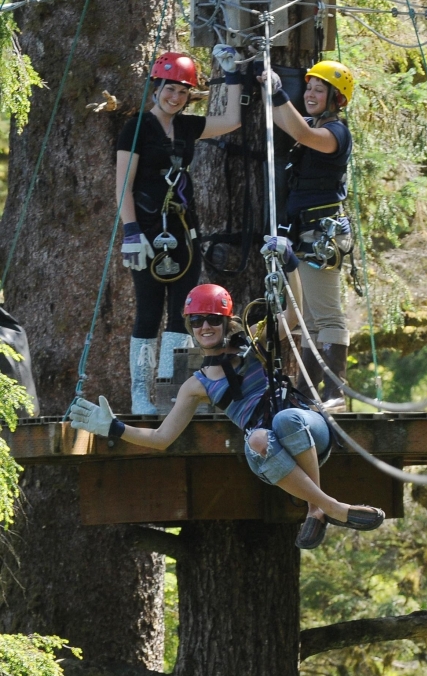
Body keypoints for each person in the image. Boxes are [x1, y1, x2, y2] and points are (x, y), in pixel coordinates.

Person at [70, 250, 385, 550]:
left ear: (225, 321)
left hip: (306, 429)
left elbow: (292, 314)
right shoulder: (196, 385)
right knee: (259, 438)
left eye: (211, 319)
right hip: (267, 449)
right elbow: (161, 438)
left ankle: (317, 509)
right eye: (196, 321)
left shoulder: (254, 343)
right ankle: (328, 507)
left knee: (285, 419)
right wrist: (115, 428)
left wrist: (290, 265)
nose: (204, 326)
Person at [117, 46, 242, 414]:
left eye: (183, 91)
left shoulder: (187, 127)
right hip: (147, 231)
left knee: (181, 315)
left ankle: (168, 390)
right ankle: (140, 394)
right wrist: (130, 231)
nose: (175, 97)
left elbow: (232, 118)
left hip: (184, 232)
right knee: (148, 312)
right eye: (169, 88)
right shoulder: (136, 127)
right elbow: (123, 184)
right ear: (156, 87)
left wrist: (231, 74)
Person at [257, 60, 354, 412]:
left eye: (319, 90)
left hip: (321, 231)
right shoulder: (315, 124)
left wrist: (281, 91)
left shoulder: (335, 134)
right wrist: (267, 88)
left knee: (327, 315)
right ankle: (308, 391)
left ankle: (335, 393)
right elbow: (287, 121)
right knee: (310, 319)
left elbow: (300, 133)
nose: (311, 95)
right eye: (309, 88)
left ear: (335, 99)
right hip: (305, 231)